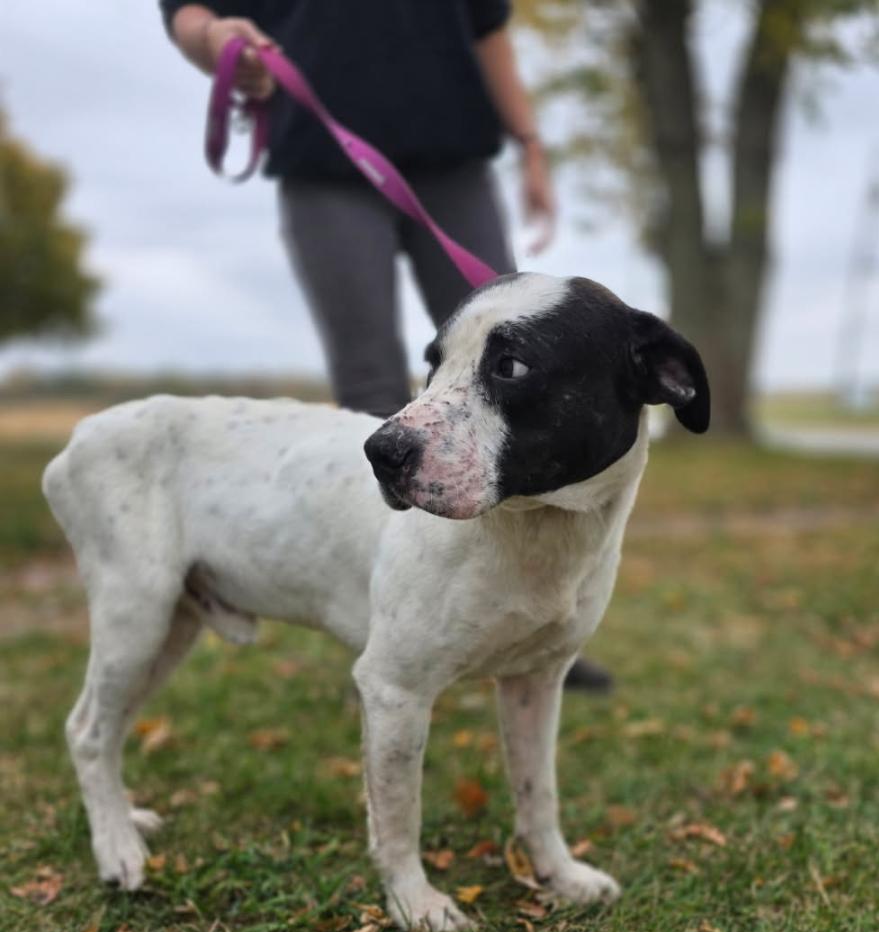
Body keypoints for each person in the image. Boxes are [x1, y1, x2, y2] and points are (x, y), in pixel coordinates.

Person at [162, 0, 613, 689]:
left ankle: (539, 631)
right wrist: (215, 38)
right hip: (322, 152)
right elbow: (191, 13)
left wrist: (530, 145)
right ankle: (407, 627)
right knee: (372, 386)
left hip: (456, 156)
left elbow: (486, 26)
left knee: (520, 369)